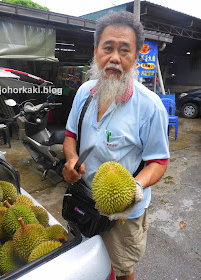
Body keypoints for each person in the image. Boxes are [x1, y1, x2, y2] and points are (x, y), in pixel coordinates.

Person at [62, 11, 170, 280]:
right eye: (108, 48)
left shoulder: (150, 107)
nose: (115, 58)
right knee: (87, 259)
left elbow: (159, 161)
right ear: (96, 50)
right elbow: (70, 137)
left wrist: (136, 186)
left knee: (120, 269)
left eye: (124, 50)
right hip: (84, 198)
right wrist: (71, 160)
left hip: (124, 212)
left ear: (135, 57)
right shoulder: (84, 92)